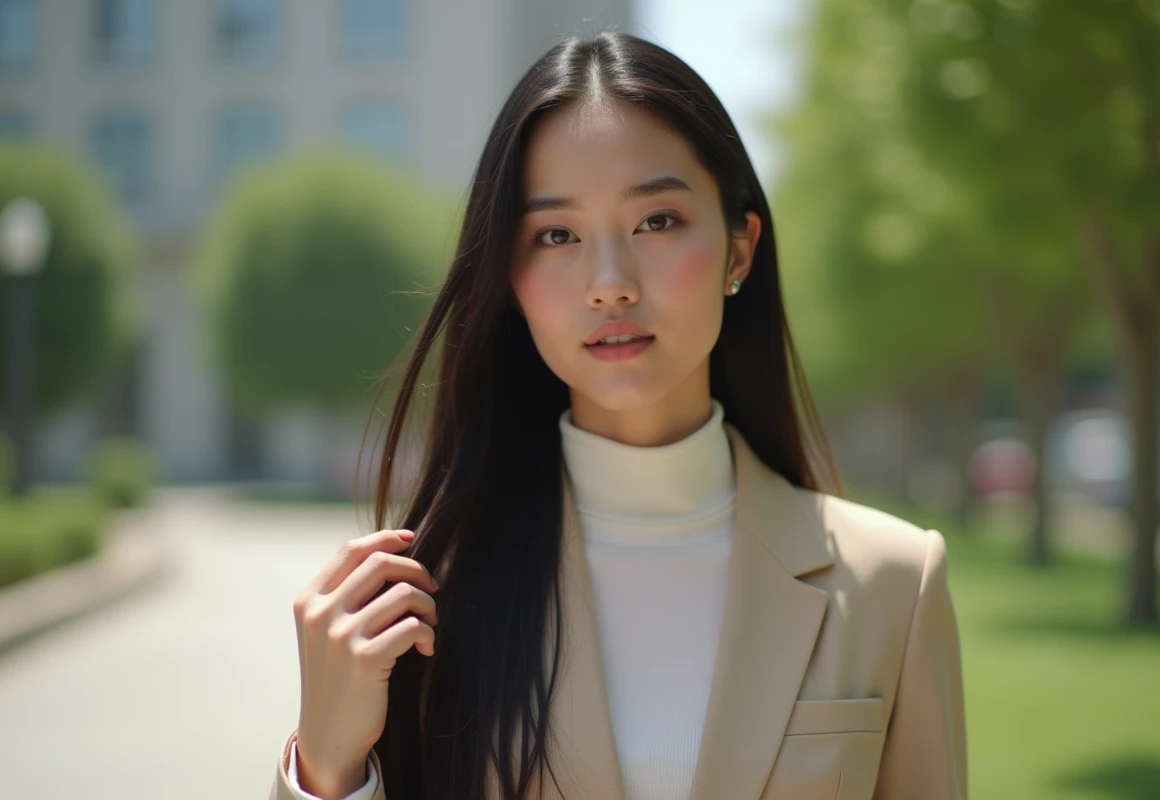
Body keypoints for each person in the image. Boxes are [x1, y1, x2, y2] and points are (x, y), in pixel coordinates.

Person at [267, 30, 967, 800]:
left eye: (656, 220)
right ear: (511, 277)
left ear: (740, 250)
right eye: (557, 234)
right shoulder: (428, 599)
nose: (609, 283)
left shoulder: (893, 586)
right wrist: (324, 770)